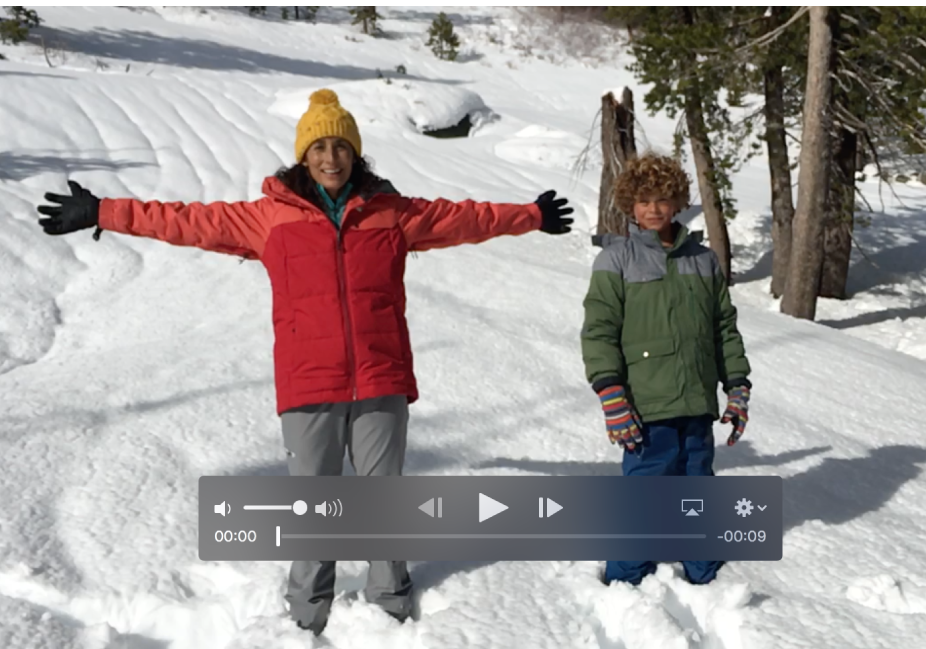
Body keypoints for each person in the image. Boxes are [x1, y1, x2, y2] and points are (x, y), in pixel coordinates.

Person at [35, 88, 575, 635]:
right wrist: (104, 211)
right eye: (319, 147)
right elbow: (187, 220)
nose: (330, 158)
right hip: (309, 384)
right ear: (303, 155)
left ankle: (390, 611)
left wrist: (529, 215)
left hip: (381, 377)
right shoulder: (272, 219)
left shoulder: (391, 214)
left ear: (356, 153)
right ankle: (304, 621)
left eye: (340, 146)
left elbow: (463, 218)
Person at [579, 152, 751, 587]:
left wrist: (737, 386)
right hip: (644, 405)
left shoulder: (704, 261)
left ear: (677, 202)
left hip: (695, 402)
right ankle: (625, 581)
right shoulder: (616, 261)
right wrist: (610, 394)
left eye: (662, 198)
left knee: (697, 488)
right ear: (629, 206)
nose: (653, 208)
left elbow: (723, 329)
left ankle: (703, 573)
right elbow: (599, 332)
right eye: (643, 200)